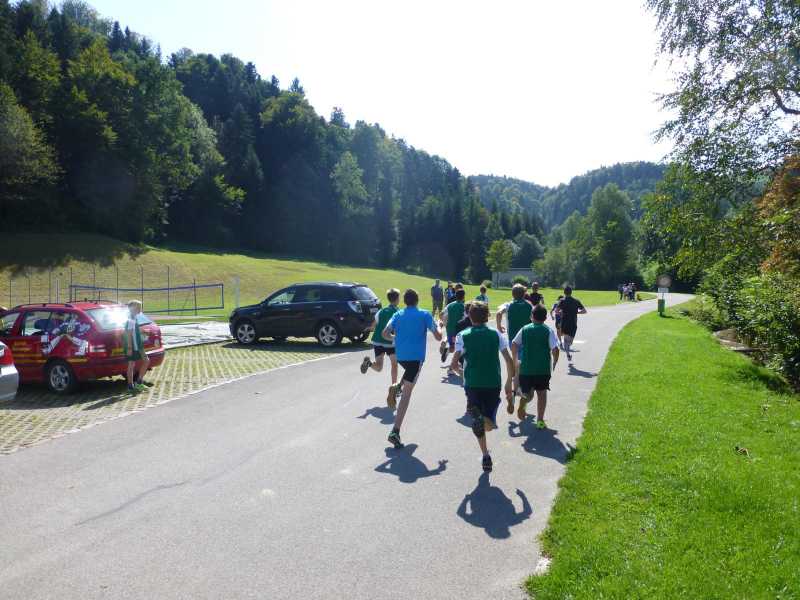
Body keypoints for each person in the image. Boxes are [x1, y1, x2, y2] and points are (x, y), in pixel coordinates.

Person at [450, 302, 514, 472]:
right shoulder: (496, 334)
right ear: (487, 316)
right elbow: (508, 360)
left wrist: (463, 375)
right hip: (493, 383)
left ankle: (485, 453)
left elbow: (454, 365)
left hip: (472, 383)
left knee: (480, 423)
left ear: (470, 317)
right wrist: (509, 381)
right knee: (488, 424)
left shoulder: (463, 335)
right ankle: (482, 423)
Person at [382, 289, 443, 449]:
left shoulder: (398, 314)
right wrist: (440, 325)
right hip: (416, 358)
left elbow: (384, 333)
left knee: (408, 375)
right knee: (407, 394)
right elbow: (438, 337)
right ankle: (395, 431)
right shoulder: (424, 314)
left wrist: (396, 338)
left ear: (405, 301)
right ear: (417, 300)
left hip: (401, 356)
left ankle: (398, 386)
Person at [512, 304, 559, 428]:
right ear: (545, 318)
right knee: (541, 394)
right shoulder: (548, 330)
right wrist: (555, 361)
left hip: (526, 369)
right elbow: (555, 349)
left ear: (531, 316)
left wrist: (515, 359)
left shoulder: (524, 329)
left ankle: (524, 400)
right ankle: (540, 420)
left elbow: (514, 343)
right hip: (542, 369)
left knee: (528, 393)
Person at [360, 288, 401, 408]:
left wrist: (368, 328)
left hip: (377, 340)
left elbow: (373, 326)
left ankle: (368, 363)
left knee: (378, 367)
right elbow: (398, 328)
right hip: (389, 341)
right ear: (397, 299)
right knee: (394, 364)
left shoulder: (381, 311)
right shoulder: (398, 312)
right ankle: (394, 387)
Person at [495, 284, 533, 396]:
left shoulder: (508, 305)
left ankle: (516, 384)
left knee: (517, 361)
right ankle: (518, 386)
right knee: (521, 362)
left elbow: (498, 313)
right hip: (526, 337)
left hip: (513, 339)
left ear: (512, 294)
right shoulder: (529, 305)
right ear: (524, 294)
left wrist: (498, 326)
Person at [123, 300, 150, 394]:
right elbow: (128, 333)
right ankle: (133, 385)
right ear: (133, 308)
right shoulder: (130, 318)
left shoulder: (134, 318)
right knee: (133, 364)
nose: (140, 309)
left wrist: (143, 331)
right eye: (138, 307)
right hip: (134, 346)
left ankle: (137, 383)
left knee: (143, 362)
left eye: (140, 307)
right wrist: (129, 347)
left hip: (138, 345)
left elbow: (134, 330)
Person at [558, 286, 587, 361]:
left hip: (564, 322)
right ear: (571, 292)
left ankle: (567, 352)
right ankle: (568, 354)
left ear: (564, 292)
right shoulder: (576, 301)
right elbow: (584, 311)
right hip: (573, 323)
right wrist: (577, 312)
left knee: (567, 340)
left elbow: (556, 311)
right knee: (569, 341)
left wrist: (561, 312)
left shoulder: (562, 300)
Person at [440, 288, 466, 369]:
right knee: (460, 348)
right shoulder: (463, 306)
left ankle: (447, 351)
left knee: (452, 347)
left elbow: (441, 314)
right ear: (463, 297)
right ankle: (455, 366)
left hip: (450, 329)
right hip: (459, 331)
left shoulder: (450, 305)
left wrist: (444, 322)